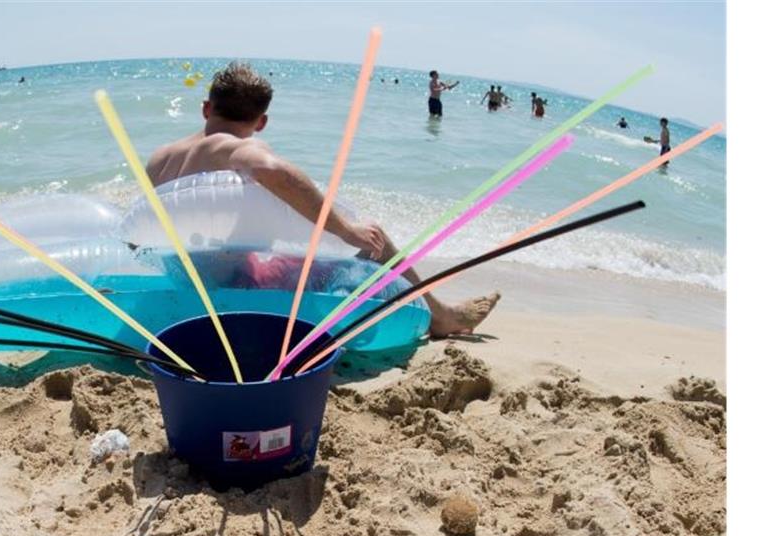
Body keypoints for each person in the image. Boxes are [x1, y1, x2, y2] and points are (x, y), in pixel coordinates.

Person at [145, 62, 499, 338]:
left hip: (186, 288)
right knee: (371, 237)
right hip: (237, 288)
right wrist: (347, 231)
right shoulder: (234, 146)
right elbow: (273, 170)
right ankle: (441, 316)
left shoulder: (161, 157)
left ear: (207, 108)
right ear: (262, 122)